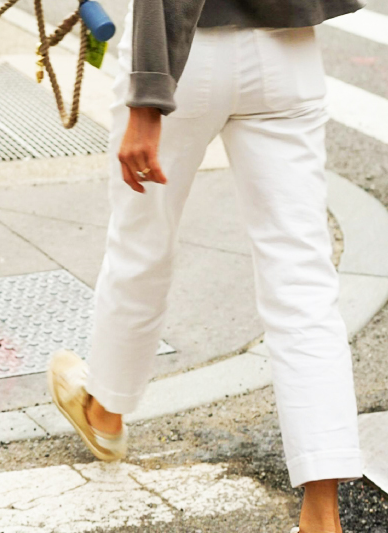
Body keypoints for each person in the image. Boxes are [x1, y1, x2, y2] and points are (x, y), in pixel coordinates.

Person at [48, 1, 365, 532]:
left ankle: (105, 413)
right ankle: (321, 517)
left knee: (141, 244)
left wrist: (146, 99)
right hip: (288, 48)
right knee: (303, 280)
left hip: (181, 53)